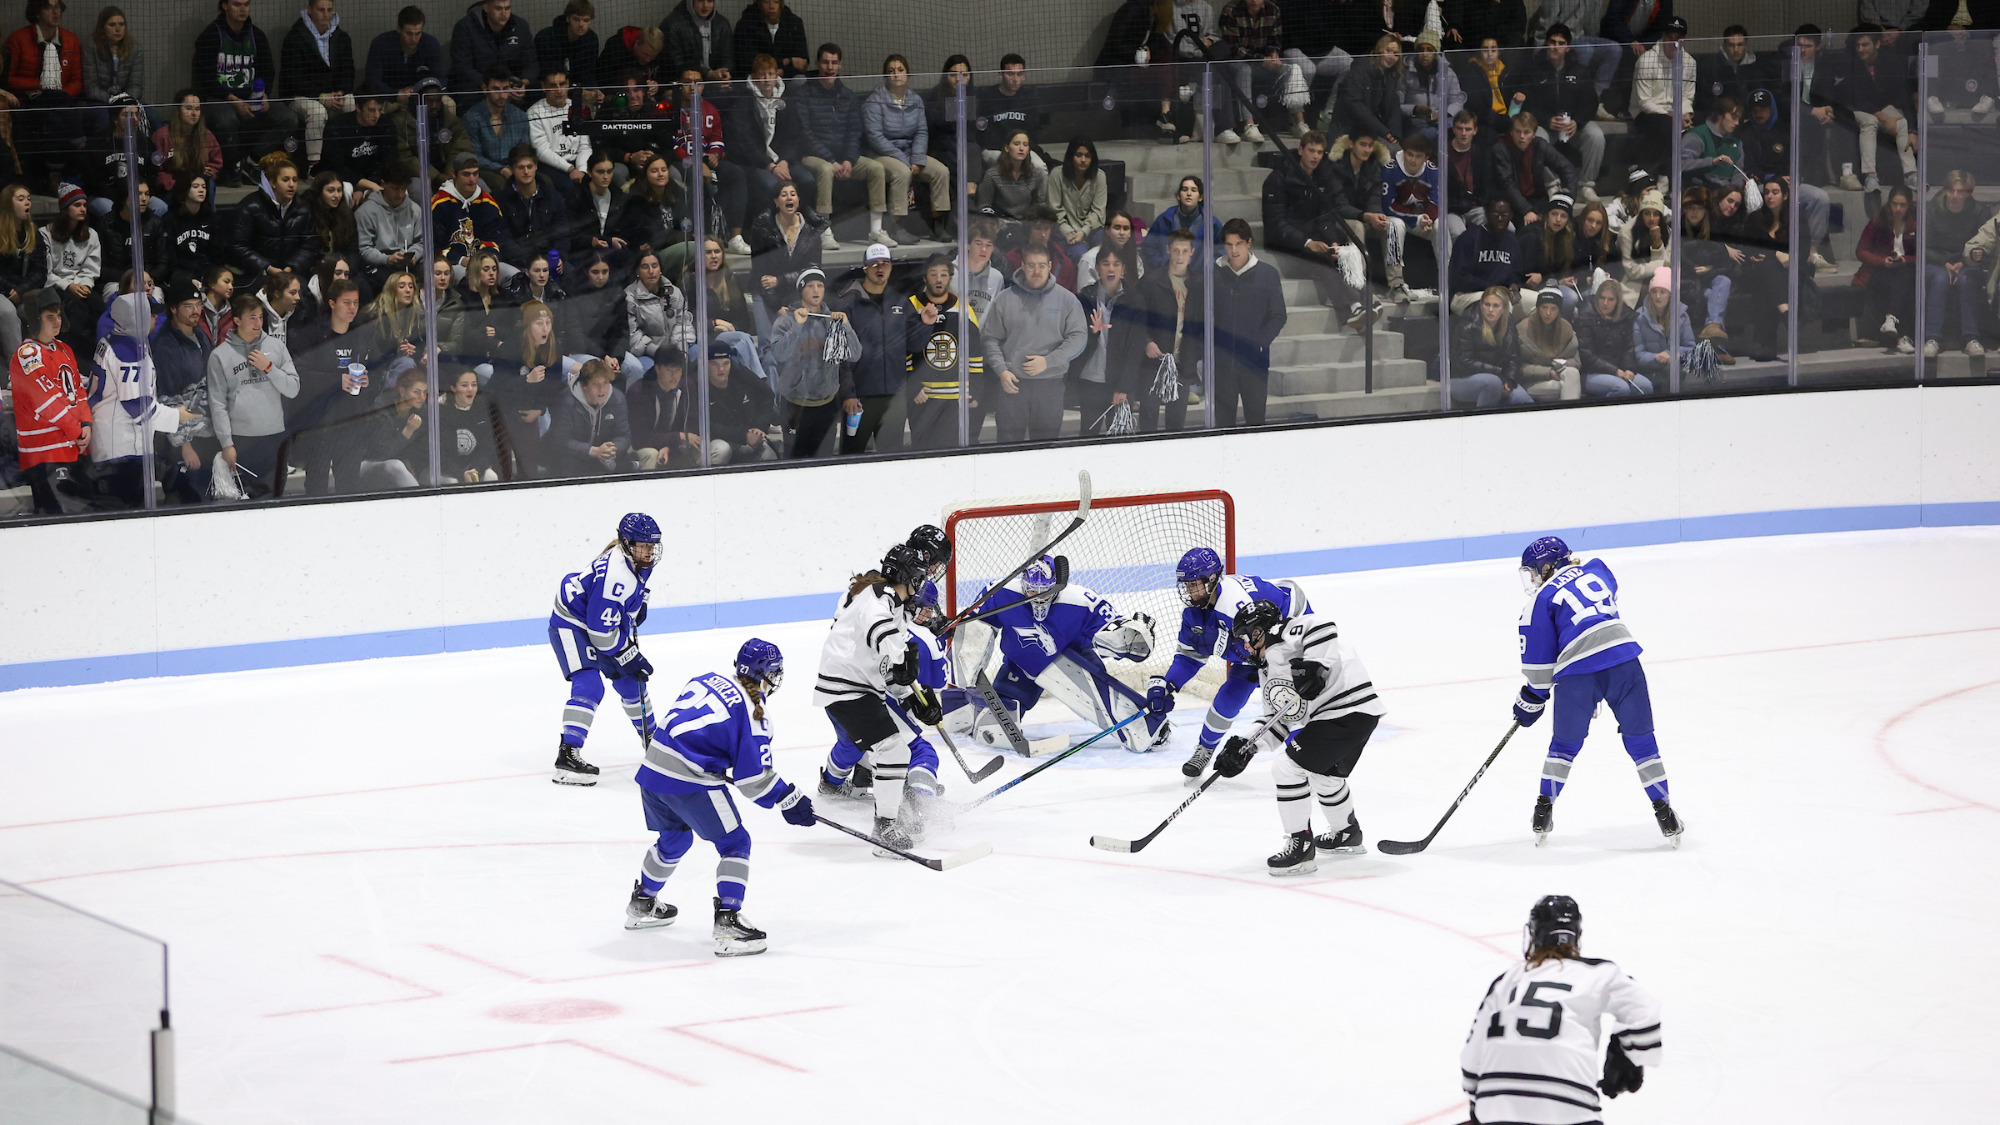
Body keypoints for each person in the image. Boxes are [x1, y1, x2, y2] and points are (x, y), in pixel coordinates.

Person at [625, 635, 814, 956]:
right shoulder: (755, 713)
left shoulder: (705, 679)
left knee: (674, 840)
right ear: (768, 674)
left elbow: (697, 731)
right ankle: (728, 921)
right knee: (736, 843)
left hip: (653, 769)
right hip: (688, 780)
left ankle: (642, 903)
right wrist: (789, 798)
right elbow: (754, 779)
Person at [1513, 534, 1682, 843]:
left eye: (1535, 570)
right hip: (1624, 659)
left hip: (1577, 673)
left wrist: (1530, 701)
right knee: (1643, 743)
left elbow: (1539, 671)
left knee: (1563, 748)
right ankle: (1665, 813)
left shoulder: (1539, 602)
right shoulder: (1597, 570)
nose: (1534, 578)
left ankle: (1543, 810)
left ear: (1548, 566)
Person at [1209, 596, 1384, 871]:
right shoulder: (1268, 672)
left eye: (1246, 637)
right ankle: (1345, 833)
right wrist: (1246, 745)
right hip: (1353, 715)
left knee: (1287, 769)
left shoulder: (1285, 634)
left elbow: (1322, 625)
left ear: (1260, 632)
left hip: (1345, 710)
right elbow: (1277, 721)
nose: (1244, 645)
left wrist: (1314, 665)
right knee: (1323, 775)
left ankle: (1300, 846)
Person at [1460, 896, 1663, 1123]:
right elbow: (1645, 1016)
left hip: (1498, 1108)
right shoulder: (1600, 972)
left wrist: (1480, 1107)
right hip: (1569, 1107)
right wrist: (1627, 1056)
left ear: (1534, 934)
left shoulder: (1505, 981)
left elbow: (1471, 1061)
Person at [945, 554, 1163, 755]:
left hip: (1071, 659)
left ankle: (1156, 729)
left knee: (1121, 717)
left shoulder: (1081, 600)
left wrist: (1131, 635)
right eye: (1032, 591)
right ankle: (962, 708)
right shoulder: (1001, 592)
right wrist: (964, 675)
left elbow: (1111, 628)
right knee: (994, 728)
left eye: (1045, 591)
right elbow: (975, 624)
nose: (1039, 598)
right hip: (1021, 662)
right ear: (1023, 585)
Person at [810, 544, 941, 853]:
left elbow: (890, 670)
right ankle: (885, 825)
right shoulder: (879, 600)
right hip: (846, 689)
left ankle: (886, 819)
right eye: (918, 578)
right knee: (893, 750)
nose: (919, 586)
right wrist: (900, 659)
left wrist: (912, 698)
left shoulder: (888, 600)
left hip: (856, 687)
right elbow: (880, 634)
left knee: (893, 750)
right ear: (907, 577)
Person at [1143, 548, 1312, 776]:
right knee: (1228, 698)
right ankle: (1204, 749)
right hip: (1252, 649)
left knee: (1285, 704)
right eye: (1187, 584)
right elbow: (1189, 657)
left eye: (1195, 584)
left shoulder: (1235, 607)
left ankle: (1308, 762)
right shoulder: (1195, 614)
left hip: (1283, 643)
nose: (1189, 590)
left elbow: (1287, 611)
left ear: (1212, 580)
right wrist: (1169, 685)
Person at [546, 511, 662, 786]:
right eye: (642, 546)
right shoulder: (617, 575)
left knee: (632, 683)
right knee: (590, 685)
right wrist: (630, 655)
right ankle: (568, 757)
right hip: (571, 623)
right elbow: (600, 633)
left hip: (595, 621)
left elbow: (619, 605)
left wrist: (637, 606)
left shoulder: (632, 559)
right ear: (626, 543)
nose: (648, 552)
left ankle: (655, 744)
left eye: (651, 546)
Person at [983, 242, 1086, 444]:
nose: (1036, 271)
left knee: (1045, 447)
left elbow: (1079, 337)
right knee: (1008, 447)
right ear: (1022, 266)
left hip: (1050, 386)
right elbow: (990, 338)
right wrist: (1001, 370)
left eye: (1041, 266)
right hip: (1012, 386)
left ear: (1049, 266)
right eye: (1031, 266)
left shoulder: (1067, 299)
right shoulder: (1004, 299)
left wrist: (1049, 361)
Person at [191, 0, 297, 184]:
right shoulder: (210, 35)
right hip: (219, 97)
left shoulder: (257, 35)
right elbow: (205, 78)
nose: (243, 9)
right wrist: (233, 99)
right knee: (227, 120)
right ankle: (232, 167)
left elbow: (268, 71)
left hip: (252, 97)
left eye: (246, 4)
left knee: (289, 118)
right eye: (237, 4)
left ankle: (255, 159)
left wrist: (264, 95)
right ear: (224, 6)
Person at [205, 290, 298, 496]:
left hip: (275, 437)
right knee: (246, 503)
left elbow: (293, 388)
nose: (258, 323)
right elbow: (217, 403)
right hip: (242, 440)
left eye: (261, 317)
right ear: (237, 320)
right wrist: (227, 444)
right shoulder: (220, 356)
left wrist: (269, 368)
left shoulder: (276, 347)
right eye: (252, 318)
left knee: (276, 501)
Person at [285, 276, 371, 493]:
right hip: (320, 424)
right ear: (332, 303)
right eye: (346, 302)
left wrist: (369, 380)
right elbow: (299, 374)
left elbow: (375, 367)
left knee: (350, 484)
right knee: (317, 486)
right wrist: (336, 381)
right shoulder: (312, 335)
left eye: (356, 302)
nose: (353, 308)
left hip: (351, 421)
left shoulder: (361, 334)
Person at [1262, 130, 1363, 315]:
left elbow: (1325, 216)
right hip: (1284, 244)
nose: (1315, 156)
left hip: (1311, 238)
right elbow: (1276, 223)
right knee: (1322, 259)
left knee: (1342, 250)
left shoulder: (1323, 178)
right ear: (1300, 150)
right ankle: (1353, 308)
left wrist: (1332, 241)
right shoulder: (1278, 178)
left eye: (1319, 152)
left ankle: (1360, 303)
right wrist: (1307, 242)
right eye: (1311, 150)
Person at [795, 43, 885, 244]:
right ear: (818, 63)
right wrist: (831, 160)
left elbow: (854, 132)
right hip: (813, 156)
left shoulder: (848, 95)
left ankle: (876, 231)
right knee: (826, 170)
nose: (830, 67)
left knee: (876, 168)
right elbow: (806, 134)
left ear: (840, 65)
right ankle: (825, 231)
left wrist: (848, 161)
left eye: (834, 63)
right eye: (826, 62)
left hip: (843, 158)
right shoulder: (804, 94)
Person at [8, 286, 87, 513]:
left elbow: (78, 392)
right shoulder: (27, 354)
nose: (57, 322)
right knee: (56, 517)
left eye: (59, 316)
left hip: (70, 445)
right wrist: (77, 431)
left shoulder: (64, 349)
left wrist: (87, 423)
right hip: (45, 450)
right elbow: (48, 402)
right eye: (50, 317)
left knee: (77, 514)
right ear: (34, 319)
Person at [833, 241, 913, 453]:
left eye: (885, 263)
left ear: (891, 267)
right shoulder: (847, 305)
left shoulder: (902, 303)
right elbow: (839, 354)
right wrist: (848, 393)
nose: (880, 268)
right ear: (865, 268)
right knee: (851, 457)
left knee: (892, 457)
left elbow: (915, 345)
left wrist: (926, 324)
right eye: (874, 264)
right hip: (860, 398)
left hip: (894, 398)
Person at [766, 265, 854, 457]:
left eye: (820, 285)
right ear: (801, 290)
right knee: (795, 462)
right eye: (810, 286)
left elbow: (854, 355)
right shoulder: (786, 321)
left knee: (824, 463)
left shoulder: (833, 320)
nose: (815, 290)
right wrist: (797, 326)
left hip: (826, 406)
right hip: (794, 406)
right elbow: (779, 354)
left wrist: (845, 326)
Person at [864, 54, 950, 243]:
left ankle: (937, 224)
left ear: (908, 74)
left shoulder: (916, 100)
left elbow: (921, 132)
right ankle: (897, 226)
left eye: (900, 70)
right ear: (885, 77)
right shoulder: (874, 101)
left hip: (912, 153)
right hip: (883, 154)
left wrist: (917, 159)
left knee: (941, 171)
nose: (896, 75)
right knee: (902, 173)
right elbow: (875, 137)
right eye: (891, 71)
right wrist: (904, 159)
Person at [1209, 218, 1285, 426]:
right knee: (1223, 421)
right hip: (1223, 362)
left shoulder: (1267, 275)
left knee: (1255, 419)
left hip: (1254, 362)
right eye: (1229, 244)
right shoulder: (1213, 273)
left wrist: (1260, 342)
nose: (1233, 250)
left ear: (1248, 242)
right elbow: (1204, 313)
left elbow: (1278, 314)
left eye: (1238, 244)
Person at [724, 52, 814, 228]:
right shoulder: (744, 101)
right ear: (754, 77)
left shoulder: (786, 100)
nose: (766, 79)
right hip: (756, 163)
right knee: (771, 185)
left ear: (776, 76)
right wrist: (770, 165)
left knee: (807, 180)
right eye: (762, 75)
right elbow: (744, 142)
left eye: (770, 74)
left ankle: (800, 226)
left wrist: (784, 161)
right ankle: (771, 229)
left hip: (783, 161)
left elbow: (794, 136)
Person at [3, 0, 90, 179]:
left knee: (56, 116)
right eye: (49, 7)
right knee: (55, 109)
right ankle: (78, 146)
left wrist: (60, 94)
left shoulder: (71, 40)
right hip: (29, 100)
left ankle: (55, 174)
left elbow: (77, 80)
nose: (55, 12)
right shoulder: (18, 39)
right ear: (36, 12)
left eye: (58, 7)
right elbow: (10, 80)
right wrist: (40, 85)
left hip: (61, 101)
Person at [1519, 24, 1603, 196]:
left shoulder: (1579, 70)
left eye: (1561, 43)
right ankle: (1552, 185)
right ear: (1546, 43)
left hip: (1572, 125)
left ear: (1567, 47)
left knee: (1596, 135)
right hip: (1545, 124)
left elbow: (1591, 102)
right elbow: (1527, 105)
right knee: (1535, 138)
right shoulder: (1533, 69)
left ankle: (1586, 184)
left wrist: (1577, 122)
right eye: (1552, 42)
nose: (1556, 46)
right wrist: (1545, 120)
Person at [1833, 27, 1915, 194]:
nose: (1860, 49)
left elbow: (1903, 96)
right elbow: (1859, 100)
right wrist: (1884, 118)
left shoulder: (1890, 62)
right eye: (1858, 46)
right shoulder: (1852, 64)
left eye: (1865, 45)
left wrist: (1913, 130)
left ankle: (1911, 173)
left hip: (1882, 106)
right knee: (1870, 123)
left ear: (1877, 44)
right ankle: (1870, 176)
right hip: (1856, 108)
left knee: (1902, 123)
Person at [1134, 227, 1200, 432]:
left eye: (1185, 251)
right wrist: (1146, 341)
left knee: (1176, 423)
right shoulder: (1150, 282)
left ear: (1192, 252)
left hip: (1182, 364)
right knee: (1148, 418)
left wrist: (1196, 352)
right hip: (1153, 364)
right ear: (1168, 250)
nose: (1180, 256)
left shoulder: (1199, 284)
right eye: (1176, 250)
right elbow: (1134, 318)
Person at [1071, 243, 1141, 437]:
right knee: (1088, 435)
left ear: (1123, 268)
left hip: (1119, 384)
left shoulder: (1135, 301)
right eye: (1106, 263)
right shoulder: (1084, 298)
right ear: (1098, 268)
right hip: (1090, 381)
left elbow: (1135, 349)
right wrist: (1092, 333)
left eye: (1116, 264)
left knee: (1119, 441)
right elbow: (1074, 343)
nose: (1111, 268)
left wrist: (1123, 386)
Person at [277, 0, 356, 167]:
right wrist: (320, 96)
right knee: (317, 111)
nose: (326, 14)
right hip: (299, 95)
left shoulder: (342, 38)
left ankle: (349, 161)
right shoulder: (294, 38)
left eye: (329, 10)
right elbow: (293, 78)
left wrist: (340, 93)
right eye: (321, 10)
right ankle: (314, 167)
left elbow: (348, 71)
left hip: (332, 94)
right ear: (310, 10)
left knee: (351, 103)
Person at [1923, 170, 1990, 358]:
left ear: (1969, 193)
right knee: (1940, 279)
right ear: (1945, 190)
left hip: (1965, 263)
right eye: (1951, 191)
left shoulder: (1980, 212)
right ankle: (1932, 338)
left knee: (1967, 280)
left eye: (1960, 192)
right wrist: (1944, 263)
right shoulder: (1931, 210)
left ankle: (1971, 337)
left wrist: (1967, 260)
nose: (1954, 196)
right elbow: (1923, 247)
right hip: (1936, 261)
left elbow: (1983, 245)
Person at [231, 152, 320, 287]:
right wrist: (267, 268)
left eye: (295, 180)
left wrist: (291, 268)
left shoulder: (303, 209)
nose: (292, 185)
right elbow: (238, 246)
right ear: (272, 182)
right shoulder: (249, 207)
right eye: (285, 180)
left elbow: (309, 246)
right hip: (257, 274)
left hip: (292, 274)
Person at [1855, 184, 1918, 354]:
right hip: (1881, 269)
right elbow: (1861, 251)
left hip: (1908, 270)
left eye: (1902, 205)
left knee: (1906, 279)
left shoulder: (1916, 223)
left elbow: (1924, 254)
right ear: (1889, 203)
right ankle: (1902, 335)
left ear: (1909, 205)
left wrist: (1906, 259)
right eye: (1894, 204)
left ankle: (1892, 323)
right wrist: (1882, 260)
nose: (1898, 209)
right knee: (1897, 283)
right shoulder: (1878, 221)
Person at [544, 356, 631, 476]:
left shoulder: (617, 398)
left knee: (624, 464)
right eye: (596, 384)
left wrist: (613, 449)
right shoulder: (566, 400)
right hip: (570, 457)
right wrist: (592, 451)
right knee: (568, 464)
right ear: (584, 385)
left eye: (605, 383)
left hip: (602, 455)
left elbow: (624, 435)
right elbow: (560, 440)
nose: (602, 390)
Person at [1627, 16, 1691, 179]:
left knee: (1692, 131)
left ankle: (1682, 179)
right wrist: (1672, 116)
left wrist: (1686, 114)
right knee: (1668, 127)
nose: (1674, 42)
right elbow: (1644, 102)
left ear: (1684, 39)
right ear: (1663, 36)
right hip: (1645, 113)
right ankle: (1663, 175)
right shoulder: (1646, 61)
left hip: (1673, 114)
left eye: (1678, 38)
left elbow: (1687, 97)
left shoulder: (1690, 62)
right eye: (1671, 37)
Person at [41, 184, 100, 347]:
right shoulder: (45, 234)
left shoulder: (92, 235)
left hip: (81, 286)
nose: (83, 209)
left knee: (99, 306)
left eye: (84, 205)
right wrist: (68, 285)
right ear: (65, 209)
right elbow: (45, 271)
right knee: (75, 310)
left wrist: (84, 284)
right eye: (77, 205)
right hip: (55, 287)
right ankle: (69, 353)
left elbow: (91, 267)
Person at [622, 248, 692, 384]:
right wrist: (660, 353)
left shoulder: (674, 292)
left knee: (697, 355)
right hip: (647, 353)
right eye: (645, 267)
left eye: (655, 266)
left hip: (675, 349)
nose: (651, 271)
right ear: (637, 272)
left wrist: (680, 350)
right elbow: (633, 335)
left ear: (660, 269)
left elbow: (683, 323)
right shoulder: (629, 297)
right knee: (650, 370)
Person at [700, 342, 777, 463]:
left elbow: (767, 396)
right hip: (718, 439)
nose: (721, 369)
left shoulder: (741, 374)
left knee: (768, 455)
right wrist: (743, 436)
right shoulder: (696, 383)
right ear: (706, 365)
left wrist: (758, 426)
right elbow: (702, 424)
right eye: (715, 364)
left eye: (725, 364)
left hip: (745, 434)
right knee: (721, 450)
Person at [1452, 284, 1528, 407]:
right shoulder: (1467, 325)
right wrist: (1498, 373)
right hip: (1461, 378)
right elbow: (1464, 362)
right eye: (1487, 305)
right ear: (1481, 306)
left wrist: (1509, 379)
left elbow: (1513, 358)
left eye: (1495, 306)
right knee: (1492, 384)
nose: (1490, 310)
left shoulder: (1509, 325)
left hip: (1500, 377)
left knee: (1523, 399)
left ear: (1504, 308)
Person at [354, 365, 429, 487]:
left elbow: (420, 446)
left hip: (399, 463)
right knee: (396, 466)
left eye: (425, 392)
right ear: (402, 391)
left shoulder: (420, 411)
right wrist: (407, 432)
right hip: (365, 463)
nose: (422, 397)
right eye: (416, 392)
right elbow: (381, 453)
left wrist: (409, 462)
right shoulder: (380, 409)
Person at [431, 150, 510, 266]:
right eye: (466, 174)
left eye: (475, 173)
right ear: (454, 174)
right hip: (451, 265)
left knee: (512, 275)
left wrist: (484, 260)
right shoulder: (439, 204)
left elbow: (495, 238)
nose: (472, 179)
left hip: (483, 264)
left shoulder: (488, 202)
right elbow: (436, 246)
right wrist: (462, 260)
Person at [1574, 277, 1649, 396]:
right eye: (1602, 298)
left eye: (1610, 299)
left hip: (1618, 370)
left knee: (1645, 386)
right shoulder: (1586, 317)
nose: (1605, 303)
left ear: (1617, 302)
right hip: (1591, 372)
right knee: (1621, 388)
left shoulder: (1625, 317)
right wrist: (1615, 371)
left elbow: (1628, 349)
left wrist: (1629, 369)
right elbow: (1586, 356)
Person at [495, 144, 565, 270]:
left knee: (572, 275)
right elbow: (504, 238)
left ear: (536, 167)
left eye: (529, 166)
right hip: (518, 262)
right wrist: (529, 261)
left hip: (548, 258)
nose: (526, 172)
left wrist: (559, 256)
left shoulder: (552, 196)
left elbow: (562, 230)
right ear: (512, 169)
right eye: (520, 167)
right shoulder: (502, 200)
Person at [628, 344, 696, 468]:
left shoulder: (687, 386)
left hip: (673, 445)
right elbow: (639, 439)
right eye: (669, 370)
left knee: (700, 447)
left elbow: (692, 425)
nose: (674, 376)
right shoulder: (639, 392)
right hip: (641, 446)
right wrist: (677, 437)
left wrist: (670, 447)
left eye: (678, 370)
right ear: (658, 369)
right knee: (651, 454)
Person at [1447, 201, 1522, 315]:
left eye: (1505, 215)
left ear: (1511, 216)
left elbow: (1514, 272)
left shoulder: (1512, 240)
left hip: (1500, 293)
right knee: (1501, 304)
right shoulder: (1469, 238)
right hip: (1465, 295)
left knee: (1539, 301)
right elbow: (1459, 279)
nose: (1500, 219)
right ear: (1487, 214)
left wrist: (1514, 286)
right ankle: (1502, 333)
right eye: (1495, 214)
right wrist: (1492, 288)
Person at [391, 75, 471, 180]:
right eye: (429, 101)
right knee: (417, 188)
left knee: (479, 183)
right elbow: (405, 158)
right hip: (416, 176)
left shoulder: (450, 120)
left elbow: (461, 149)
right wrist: (437, 177)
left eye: (438, 100)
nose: (434, 105)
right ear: (416, 100)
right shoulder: (400, 121)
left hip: (449, 173)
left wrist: (450, 176)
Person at [319, 88, 396, 197]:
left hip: (374, 180)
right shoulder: (338, 127)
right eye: (371, 110)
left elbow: (387, 160)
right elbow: (335, 165)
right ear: (358, 107)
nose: (377, 115)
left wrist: (367, 186)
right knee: (346, 190)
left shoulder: (386, 125)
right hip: (344, 180)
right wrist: (362, 184)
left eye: (379, 110)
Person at [448, 0, 535, 95]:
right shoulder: (465, 27)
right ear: (486, 8)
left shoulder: (521, 26)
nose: (504, 13)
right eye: (498, 8)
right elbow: (462, 66)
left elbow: (531, 62)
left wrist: (522, 83)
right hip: (478, 87)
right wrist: (491, 86)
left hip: (511, 86)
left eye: (507, 8)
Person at [364, 6, 443, 109]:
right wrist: (396, 95)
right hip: (389, 97)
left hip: (424, 97)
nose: (414, 39)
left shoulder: (431, 44)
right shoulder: (380, 44)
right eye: (409, 34)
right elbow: (372, 80)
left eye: (418, 33)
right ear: (399, 29)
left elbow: (441, 77)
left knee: (448, 103)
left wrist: (424, 92)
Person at [464, 66, 529, 192]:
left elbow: (525, 149)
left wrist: (518, 168)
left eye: (505, 89)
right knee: (501, 186)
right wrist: (501, 169)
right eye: (496, 89)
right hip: (486, 169)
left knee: (545, 181)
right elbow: (475, 155)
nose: (502, 95)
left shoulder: (520, 116)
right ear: (484, 88)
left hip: (516, 167)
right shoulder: (472, 117)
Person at [355, 164, 421, 287]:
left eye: (404, 189)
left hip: (409, 262)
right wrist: (387, 259)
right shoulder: (366, 212)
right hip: (379, 264)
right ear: (383, 184)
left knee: (431, 272)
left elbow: (421, 242)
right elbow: (364, 249)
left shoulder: (415, 209)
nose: (400, 194)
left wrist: (414, 254)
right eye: (395, 188)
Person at [528, 68, 590, 200]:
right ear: (544, 87)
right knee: (569, 188)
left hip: (578, 163)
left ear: (568, 84)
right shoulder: (535, 112)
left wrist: (582, 170)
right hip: (550, 165)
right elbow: (541, 151)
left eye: (562, 84)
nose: (559, 90)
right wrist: (571, 169)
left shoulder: (577, 108)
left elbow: (585, 146)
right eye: (553, 85)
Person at [975, 53, 1047, 164]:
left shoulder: (1029, 97)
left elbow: (1034, 129)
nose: (1015, 79)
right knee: (1008, 166)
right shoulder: (987, 96)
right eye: (1010, 74)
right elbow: (983, 131)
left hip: (1021, 149)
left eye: (1019, 74)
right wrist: (1008, 149)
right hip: (995, 149)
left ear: (1024, 76)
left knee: (1040, 167)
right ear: (1001, 74)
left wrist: (1020, 147)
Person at [81, 7, 148, 125]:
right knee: (105, 119)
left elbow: (136, 86)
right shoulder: (90, 47)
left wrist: (124, 101)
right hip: (99, 102)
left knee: (151, 116)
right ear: (102, 28)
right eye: (112, 25)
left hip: (127, 102)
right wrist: (113, 101)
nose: (117, 29)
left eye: (121, 24)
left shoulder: (135, 49)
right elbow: (91, 87)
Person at [566, 149, 633, 266]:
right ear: (590, 173)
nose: (606, 177)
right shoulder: (577, 196)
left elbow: (625, 230)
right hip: (584, 252)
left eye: (609, 171)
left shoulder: (619, 197)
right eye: (600, 172)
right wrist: (592, 241)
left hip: (612, 252)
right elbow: (571, 234)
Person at [436, 367, 503, 482]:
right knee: (452, 482)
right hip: (447, 469)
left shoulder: (482, 410)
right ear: (453, 388)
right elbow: (442, 456)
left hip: (474, 467)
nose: (470, 389)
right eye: (464, 385)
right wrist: (461, 473)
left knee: (491, 477)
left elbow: (487, 448)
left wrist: (476, 468)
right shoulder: (442, 413)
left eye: (474, 384)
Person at [1141, 174, 1221, 270]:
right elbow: (1148, 249)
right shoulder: (1164, 220)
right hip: (1167, 278)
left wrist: (1204, 268)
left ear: (1200, 197)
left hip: (1199, 280)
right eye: (1185, 189)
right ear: (1178, 196)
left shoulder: (1212, 223)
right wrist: (1165, 265)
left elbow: (1221, 251)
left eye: (1194, 190)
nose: (1189, 193)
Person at [153, 92, 224, 197]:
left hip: (198, 182)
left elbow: (215, 163)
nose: (194, 113)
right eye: (189, 108)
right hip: (173, 185)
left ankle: (208, 213)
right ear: (177, 110)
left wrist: (211, 170)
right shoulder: (162, 135)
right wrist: (177, 184)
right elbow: (155, 171)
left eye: (197, 109)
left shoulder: (207, 135)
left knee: (210, 185)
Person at [1631, 265, 1690, 388]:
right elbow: (1638, 355)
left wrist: (1670, 354)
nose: (1657, 296)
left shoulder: (1682, 315)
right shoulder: (1640, 317)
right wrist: (1657, 357)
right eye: (1654, 292)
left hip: (1675, 367)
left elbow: (1691, 348)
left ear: (1669, 294)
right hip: (1649, 370)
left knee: (1673, 369)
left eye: (1662, 292)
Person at [1512, 286, 1577, 399]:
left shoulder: (1566, 328)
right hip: (1533, 381)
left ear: (1559, 310)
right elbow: (1519, 367)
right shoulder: (1523, 330)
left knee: (1572, 373)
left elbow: (1576, 360)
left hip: (1560, 374)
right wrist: (1548, 372)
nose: (1548, 313)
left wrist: (1560, 366)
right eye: (1544, 307)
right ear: (1537, 308)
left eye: (1553, 309)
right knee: (1565, 386)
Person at [975, 128, 1046, 222]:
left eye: (1025, 145)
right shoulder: (992, 175)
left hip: (1026, 224)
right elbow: (984, 206)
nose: (1021, 148)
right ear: (1007, 148)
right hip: (1001, 222)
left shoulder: (1036, 173)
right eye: (1016, 144)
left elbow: (1039, 204)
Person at [534, 0, 598, 101]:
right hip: (549, 91)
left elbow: (589, 74)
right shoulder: (545, 38)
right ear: (568, 18)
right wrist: (578, 91)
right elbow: (547, 76)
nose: (581, 24)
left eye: (586, 20)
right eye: (576, 19)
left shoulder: (592, 39)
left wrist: (594, 91)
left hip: (578, 91)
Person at [1049, 138, 1105, 250]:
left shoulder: (1100, 176)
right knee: (1079, 252)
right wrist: (1067, 231)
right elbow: (1054, 210)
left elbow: (1098, 211)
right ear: (1071, 157)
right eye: (1078, 155)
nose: (1083, 160)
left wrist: (1083, 232)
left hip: (1092, 229)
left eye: (1087, 156)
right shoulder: (1057, 174)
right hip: (1064, 230)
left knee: (1104, 250)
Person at [1615, 188, 1668, 305]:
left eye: (1656, 214)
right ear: (1641, 214)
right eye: (1647, 213)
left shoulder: (1666, 231)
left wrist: (1657, 242)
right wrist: (1659, 265)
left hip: (1660, 282)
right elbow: (1632, 271)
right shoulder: (1627, 232)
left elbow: (1669, 264)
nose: (1651, 218)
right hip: (1632, 284)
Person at [732, 0, 806, 79]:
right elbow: (746, 62)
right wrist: (786, 61)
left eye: (776, 2)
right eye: (766, 2)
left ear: (781, 4)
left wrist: (783, 72)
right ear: (760, 4)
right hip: (757, 78)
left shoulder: (794, 23)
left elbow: (802, 63)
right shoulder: (746, 24)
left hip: (787, 77)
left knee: (800, 80)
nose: (771, 6)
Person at [660, 0, 730, 82]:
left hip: (716, 83)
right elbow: (675, 64)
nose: (705, 5)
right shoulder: (672, 25)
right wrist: (708, 74)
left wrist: (724, 73)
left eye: (710, 1)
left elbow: (728, 57)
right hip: (684, 84)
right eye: (700, 0)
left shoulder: (722, 24)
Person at [1077, 207, 1142, 290]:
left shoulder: (1136, 258)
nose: (1122, 233)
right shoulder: (1089, 259)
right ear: (1107, 230)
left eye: (1126, 229)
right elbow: (1084, 294)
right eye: (1117, 228)